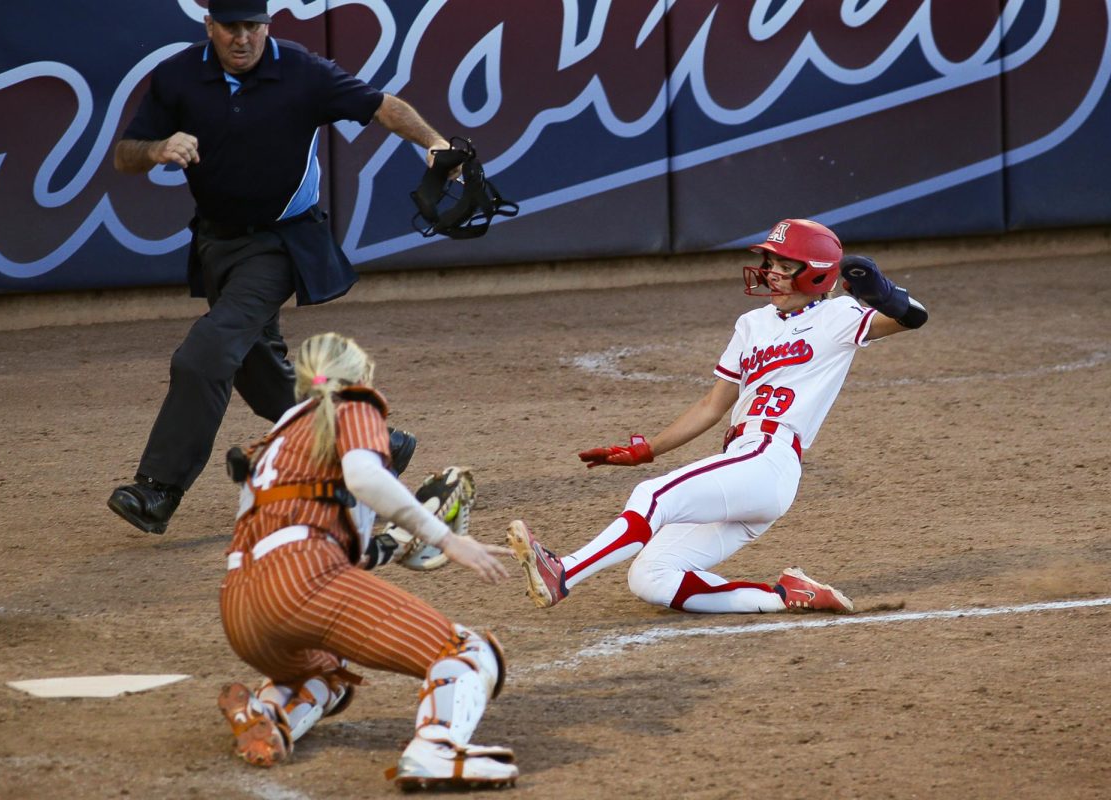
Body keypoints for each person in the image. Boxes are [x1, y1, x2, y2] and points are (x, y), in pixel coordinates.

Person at [107, 0, 447, 534]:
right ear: (209, 26)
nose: (242, 38)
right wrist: (156, 148)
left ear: (267, 26)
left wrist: (435, 143)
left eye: (253, 26)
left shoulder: (301, 71)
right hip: (216, 243)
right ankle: (375, 443)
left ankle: (157, 490)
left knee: (207, 353)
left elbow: (381, 105)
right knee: (259, 373)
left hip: (281, 243)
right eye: (230, 27)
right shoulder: (177, 77)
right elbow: (124, 154)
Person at [507, 218, 929, 614]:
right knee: (650, 577)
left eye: (785, 265)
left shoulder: (840, 315)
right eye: (770, 263)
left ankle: (564, 572)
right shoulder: (752, 324)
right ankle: (786, 595)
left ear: (816, 273)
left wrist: (884, 293)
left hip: (770, 457)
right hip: (744, 465)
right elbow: (713, 405)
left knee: (654, 497)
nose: (771, 273)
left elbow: (913, 318)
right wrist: (648, 449)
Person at [217, 332, 519, 789]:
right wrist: (445, 539)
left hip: (240, 607)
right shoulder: (351, 404)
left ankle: (269, 712)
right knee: (468, 652)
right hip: (300, 581)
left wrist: (387, 545)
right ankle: (436, 748)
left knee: (327, 667)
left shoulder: (275, 439)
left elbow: (296, 530)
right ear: (358, 375)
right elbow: (362, 476)